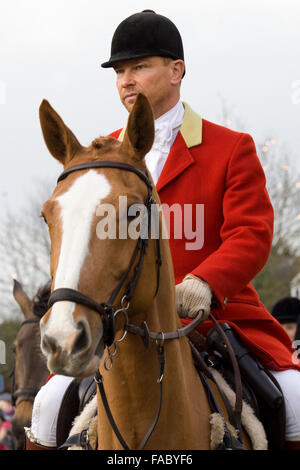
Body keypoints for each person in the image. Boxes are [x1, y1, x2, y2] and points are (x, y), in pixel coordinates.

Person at [26, 10, 300, 450]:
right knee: (45, 404)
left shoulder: (230, 149)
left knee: (296, 399)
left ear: (177, 71)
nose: (126, 80)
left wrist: (206, 281)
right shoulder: (101, 161)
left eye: (139, 67)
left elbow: (251, 232)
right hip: (121, 327)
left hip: (214, 318)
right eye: (119, 71)